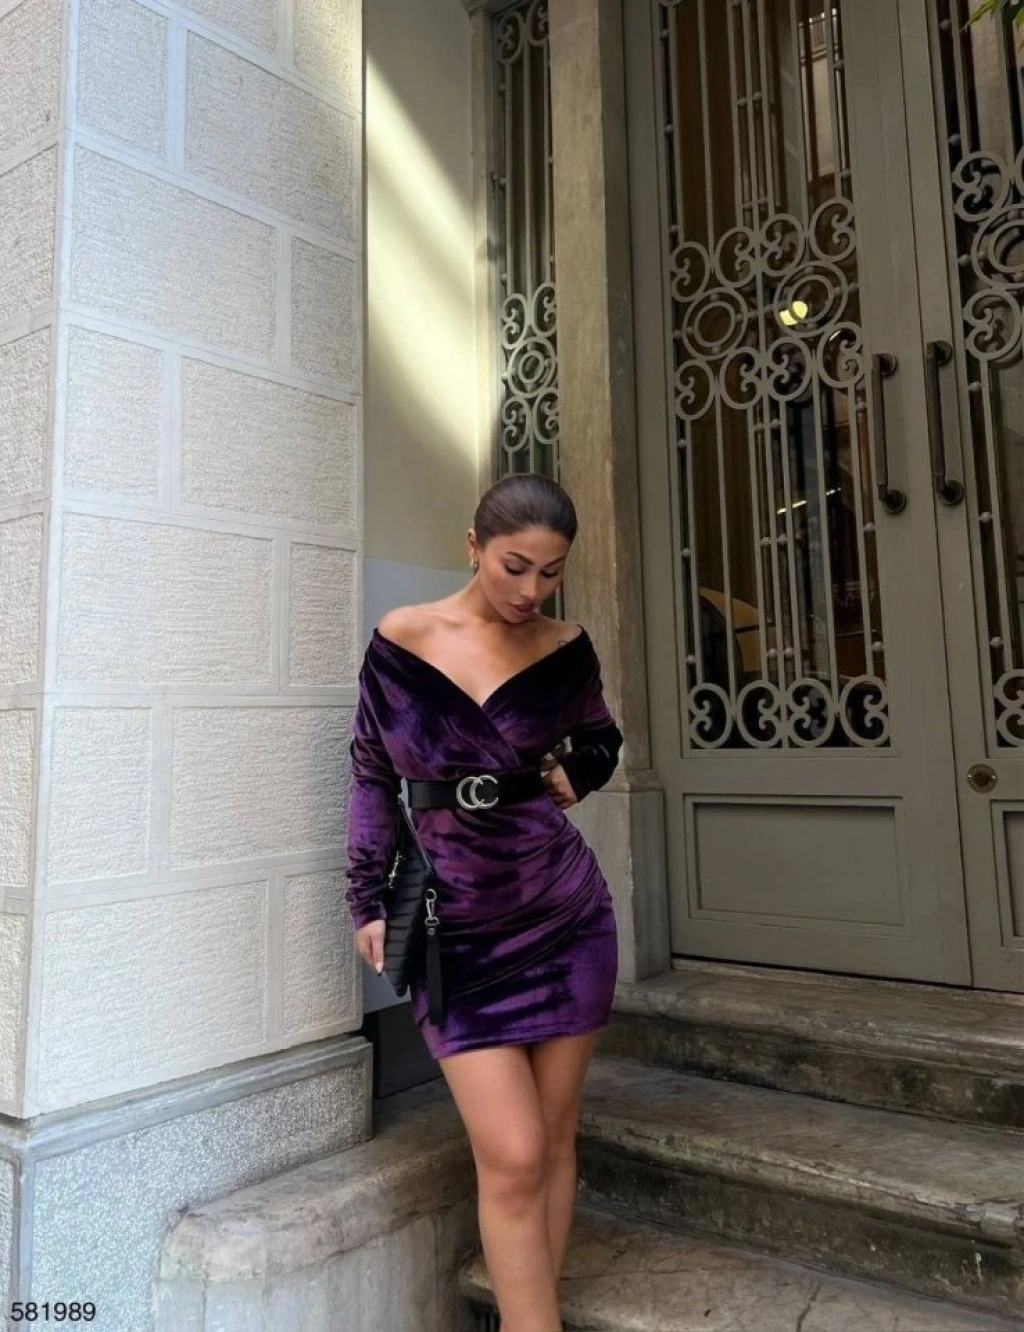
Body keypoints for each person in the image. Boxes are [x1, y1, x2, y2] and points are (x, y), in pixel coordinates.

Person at [344, 473, 624, 1332]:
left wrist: (580, 772)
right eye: (515, 567)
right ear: (473, 545)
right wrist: (365, 897)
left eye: (551, 572)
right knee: (513, 1152)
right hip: (453, 928)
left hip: (566, 915)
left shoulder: (565, 647)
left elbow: (601, 736)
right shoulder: (402, 641)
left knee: (553, 1138)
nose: (531, 591)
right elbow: (372, 775)